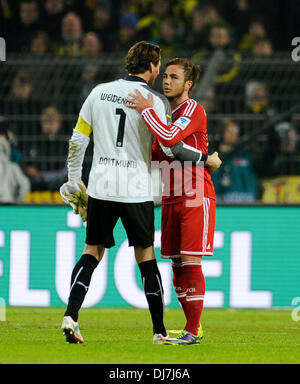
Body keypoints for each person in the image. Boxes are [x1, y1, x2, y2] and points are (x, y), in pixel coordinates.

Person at [59, 41, 170, 345]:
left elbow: (77, 141)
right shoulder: (155, 101)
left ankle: (71, 315)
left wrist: (73, 181)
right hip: (135, 187)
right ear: (151, 66)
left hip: (101, 184)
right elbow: (167, 145)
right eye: (158, 65)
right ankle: (159, 331)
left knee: (92, 251)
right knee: (145, 256)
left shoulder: (98, 92)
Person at [127, 58, 222, 345]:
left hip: (195, 195)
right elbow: (162, 153)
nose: (166, 81)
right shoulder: (168, 115)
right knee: (177, 264)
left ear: (188, 84)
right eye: (165, 76)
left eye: (174, 77)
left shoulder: (193, 110)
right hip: (170, 197)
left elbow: (169, 138)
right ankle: (191, 327)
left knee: (191, 263)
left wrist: (145, 112)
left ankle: (193, 330)